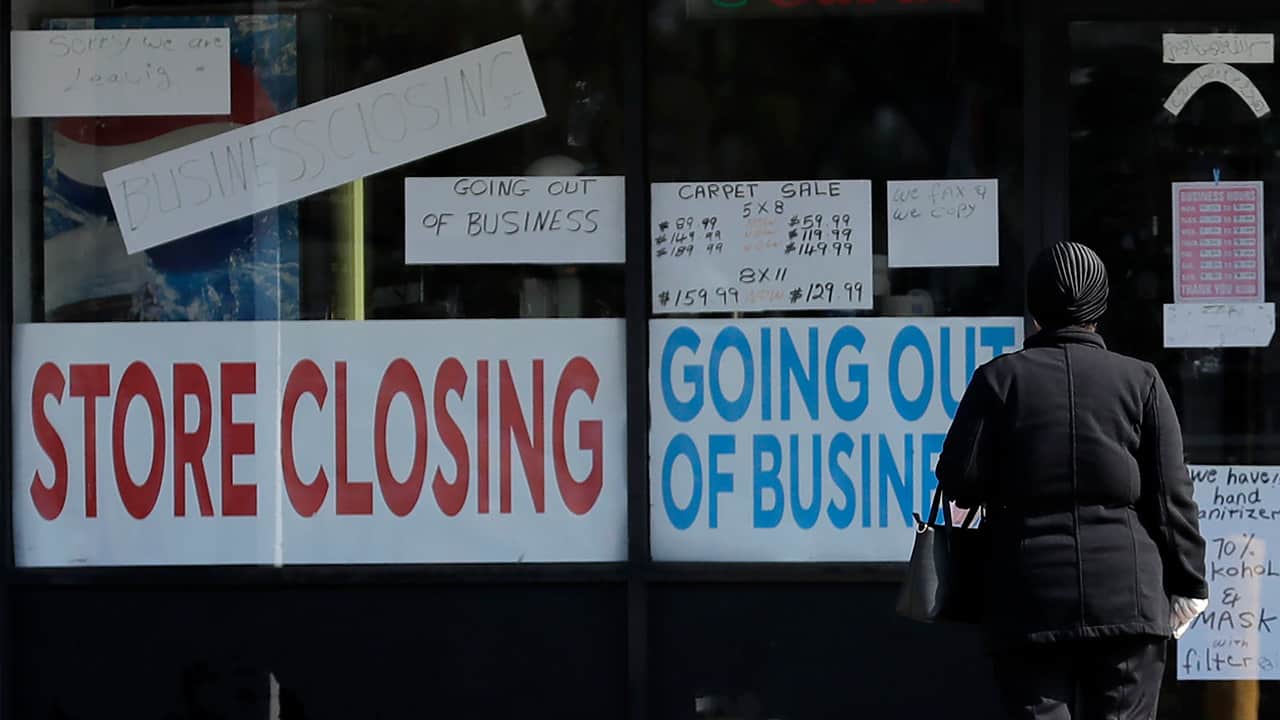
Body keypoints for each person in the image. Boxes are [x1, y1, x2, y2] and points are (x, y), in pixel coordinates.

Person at [936, 241, 1208, 720]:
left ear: (1033, 306)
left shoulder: (998, 380)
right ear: (1100, 306)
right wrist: (1190, 582)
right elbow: (1171, 497)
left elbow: (960, 480)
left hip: (1028, 594)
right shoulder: (1140, 380)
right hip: (1129, 595)